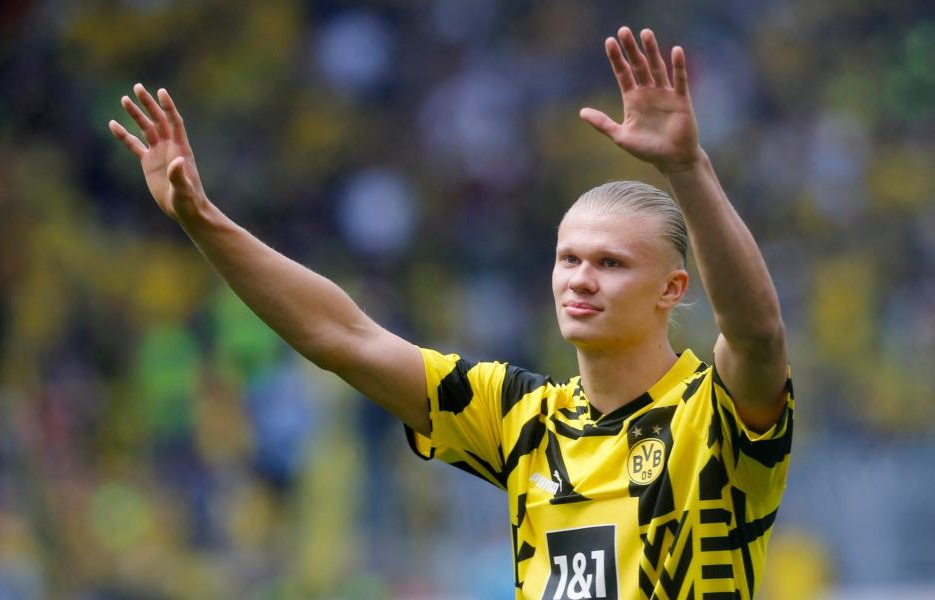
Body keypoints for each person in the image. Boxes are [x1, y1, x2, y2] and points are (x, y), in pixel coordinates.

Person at [109, 26, 793, 600]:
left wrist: (687, 169)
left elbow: (757, 333)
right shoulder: (522, 418)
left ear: (672, 289)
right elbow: (342, 337)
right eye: (568, 260)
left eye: (611, 263)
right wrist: (203, 222)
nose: (581, 280)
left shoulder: (717, 416)